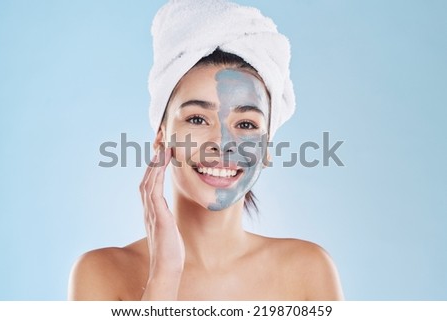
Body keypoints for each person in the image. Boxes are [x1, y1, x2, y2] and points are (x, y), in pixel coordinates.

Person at [68, 0, 343, 300]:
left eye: (247, 124)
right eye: (198, 119)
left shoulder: (308, 271)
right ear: (161, 139)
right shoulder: (101, 274)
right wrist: (165, 274)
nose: (223, 142)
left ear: (266, 148)